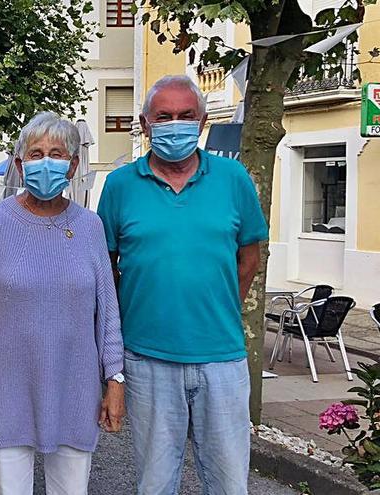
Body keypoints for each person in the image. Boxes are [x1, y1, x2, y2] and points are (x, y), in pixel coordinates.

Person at [97, 75, 269, 495]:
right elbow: (105, 266)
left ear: (203, 120)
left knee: (229, 484)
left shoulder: (233, 178)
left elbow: (250, 257)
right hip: (147, 359)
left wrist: (219, 307)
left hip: (223, 360)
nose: (176, 124)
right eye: (165, 116)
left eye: (186, 116)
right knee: (155, 484)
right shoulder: (119, 185)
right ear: (144, 123)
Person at [0, 111, 125, 494]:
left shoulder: (90, 226)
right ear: (19, 164)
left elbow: (107, 310)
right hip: (3, 387)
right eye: (35, 153)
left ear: (72, 165)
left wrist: (115, 379)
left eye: (57, 153)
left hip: (74, 386)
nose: (45, 162)